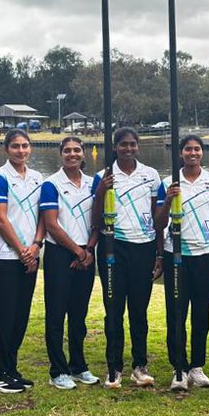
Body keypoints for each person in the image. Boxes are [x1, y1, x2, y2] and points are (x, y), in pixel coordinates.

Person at [154, 134, 209, 391]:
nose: (193, 153)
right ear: (181, 153)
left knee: (201, 314)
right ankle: (179, 368)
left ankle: (196, 366)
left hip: (204, 256)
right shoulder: (168, 183)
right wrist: (169, 199)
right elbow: (159, 224)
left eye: (197, 149)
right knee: (176, 313)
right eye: (188, 149)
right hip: (177, 256)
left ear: (202, 153)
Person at [90, 127, 161, 389]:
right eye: (123, 145)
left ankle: (140, 366)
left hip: (143, 247)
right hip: (113, 247)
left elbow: (157, 218)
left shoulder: (151, 176)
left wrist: (159, 253)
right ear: (115, 147)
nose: (128, 148)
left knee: (139, 311)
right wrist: (101, 191)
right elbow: (95, 221)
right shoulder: (103, 176)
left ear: (137, 146)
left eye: (132, 144)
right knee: (114, 310)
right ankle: (114, 367)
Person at [0, 129, 45, 394]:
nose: (21, 151)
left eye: (25, 146)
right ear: (6, 150)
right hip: (5, 257)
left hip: (30, 254)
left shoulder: (37, 178)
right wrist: (22, 250)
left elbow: (43, 215)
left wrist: (35, 246)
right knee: (4, 315)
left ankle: (11, 368)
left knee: (21, 315)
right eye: (15, 147)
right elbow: (0, 218)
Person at [39, 137, 101, 390]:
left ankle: (79, 365)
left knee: (79, 314)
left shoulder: (94, 183)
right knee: (56, 313)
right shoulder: (51, 184)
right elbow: (52, 224)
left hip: (87, 253)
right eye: (67, 151)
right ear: (61, 154)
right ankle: (58, 370)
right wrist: (77, 251)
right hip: (60, 255)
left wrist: (89, 249)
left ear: (84, 154)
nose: (72, 154)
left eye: (77, 150)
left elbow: (100, 218)